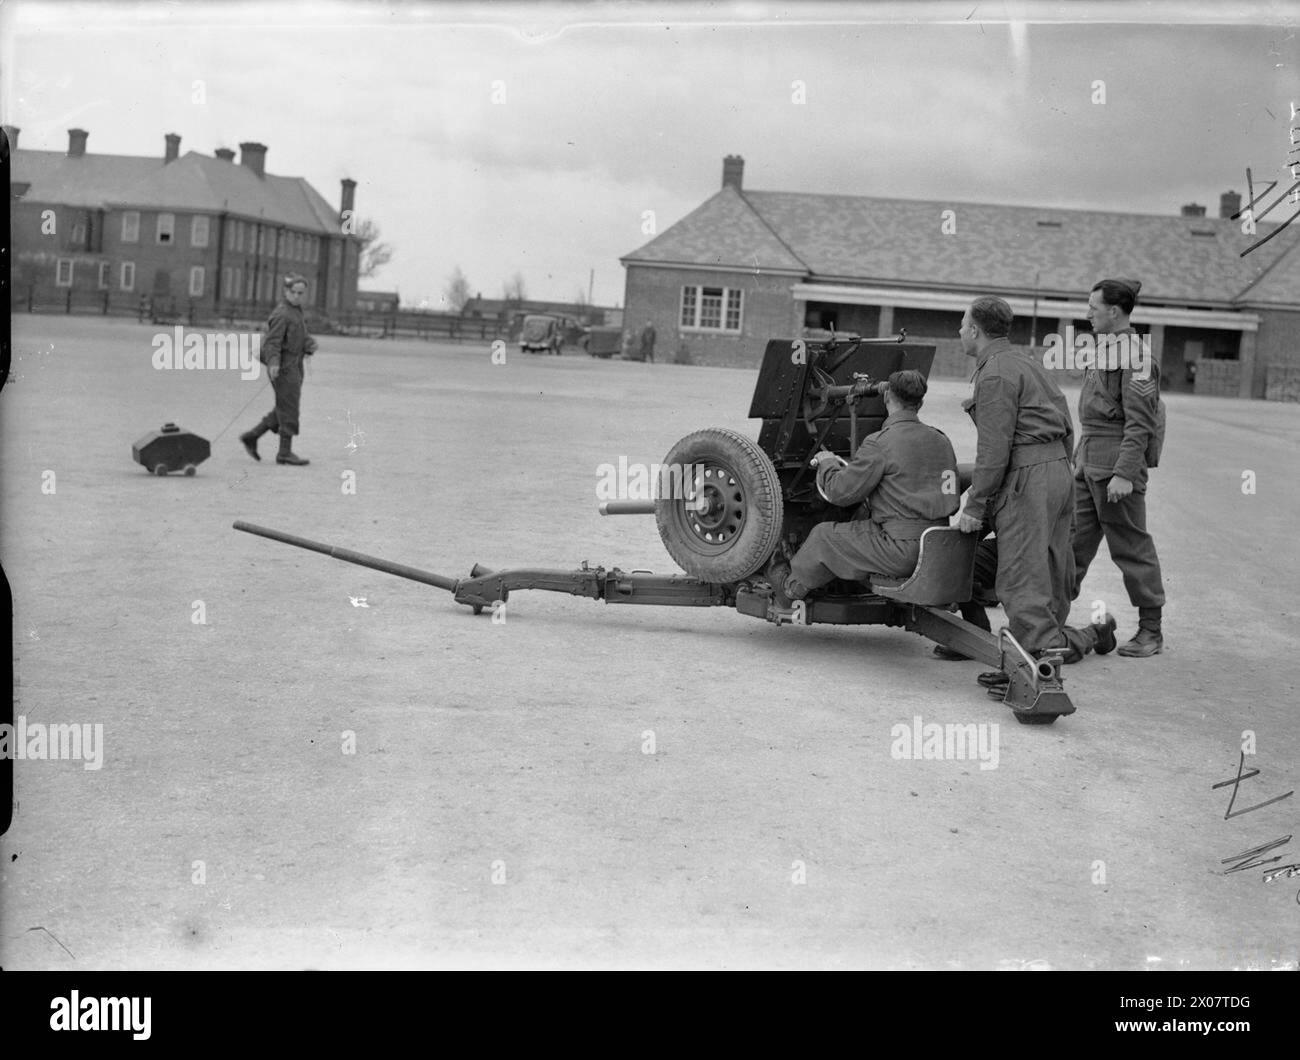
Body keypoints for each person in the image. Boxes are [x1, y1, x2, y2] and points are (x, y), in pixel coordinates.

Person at [953, 297, 1116, 680]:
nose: (959, 331)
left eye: (962, 324)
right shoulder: (1027, 362)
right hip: (1057, 471)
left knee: (1021, 572)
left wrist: (975, 505)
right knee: (1051, 565)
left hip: (1029, 475)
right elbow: (1065, 419)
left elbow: (994, 452)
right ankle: (1062, 639)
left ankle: (1031, 665)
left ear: (975, 331)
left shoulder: (995, 373)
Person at [770, 370, 958, 608]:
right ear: (920, 403)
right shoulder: (942, 440)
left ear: (887, 397)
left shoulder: (880, 443)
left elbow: (840, 493)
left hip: (900, 550)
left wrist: (827, 462)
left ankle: (790, 590)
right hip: (938, 546)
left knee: (824, 536)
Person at [1073, 278, 1166, 656]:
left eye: (1093, 308)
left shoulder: (1138, 357)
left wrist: (1126, 473)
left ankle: (1151, 631)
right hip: (1089, 460)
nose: (1087, 314)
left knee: (1130, 546)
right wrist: (1080, 457)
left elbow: (1140, 423)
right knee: (1070, 543)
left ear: (1114, 311)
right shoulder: (1104, 349)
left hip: (1116, 465)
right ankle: (1047, 617)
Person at [240, 274, 316, 466]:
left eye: (301, 293)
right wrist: (273, 364)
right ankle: (284, 452)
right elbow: (273, 343)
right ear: (286, 291)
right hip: (283, 367)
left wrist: (309, 344)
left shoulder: (296, 311)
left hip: (294, 366)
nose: (298, 296)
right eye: (294, 292)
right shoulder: (282, 314)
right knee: (289, 407)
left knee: (285, 405)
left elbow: (300, 335)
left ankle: (252, 436)